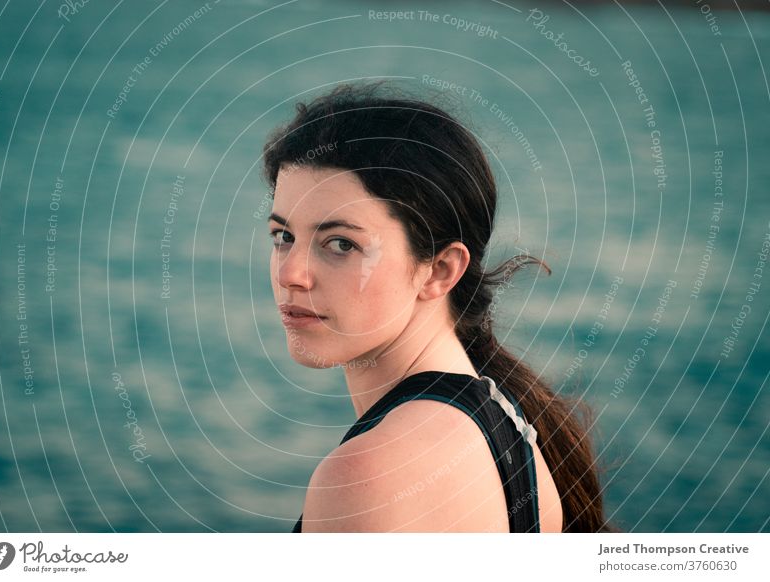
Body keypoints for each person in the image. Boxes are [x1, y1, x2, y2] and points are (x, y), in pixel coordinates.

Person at [261, 81, 616, 532]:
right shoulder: (511, 430)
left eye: (340, 243)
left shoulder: (369, 477)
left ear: (440, 269)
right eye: (283, 236)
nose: (291, 273)